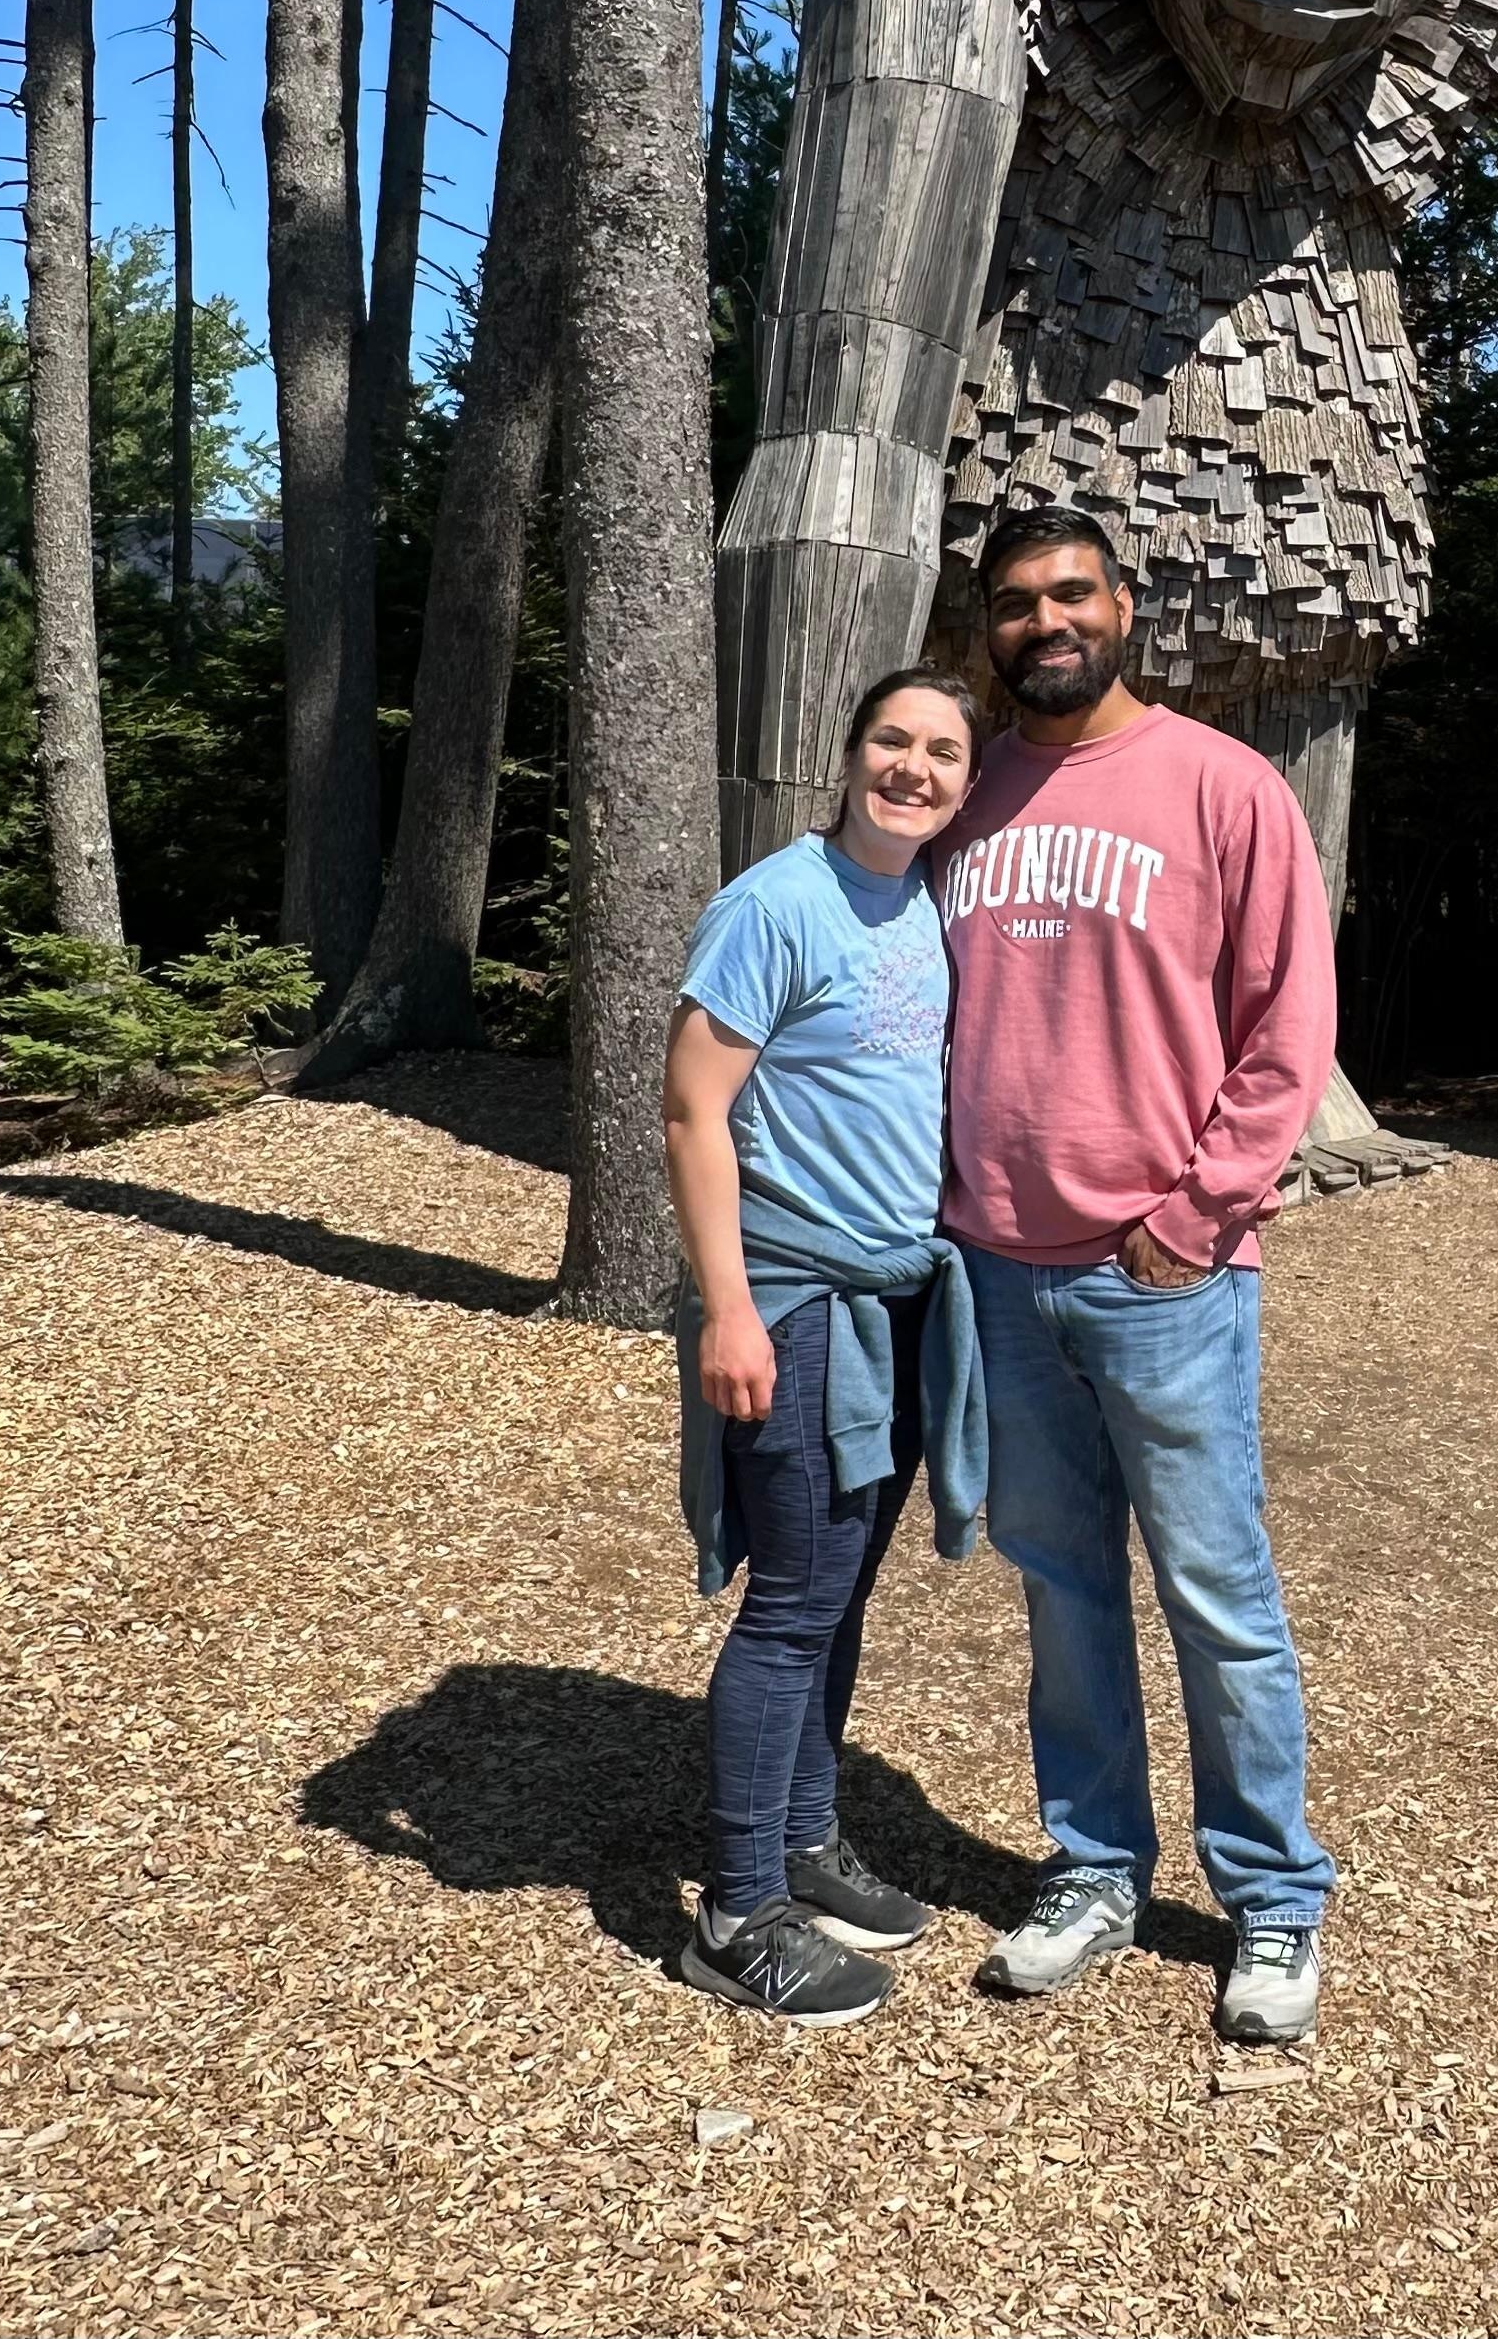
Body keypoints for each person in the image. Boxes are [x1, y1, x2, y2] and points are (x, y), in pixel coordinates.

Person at [934, 506, 1339, 2047]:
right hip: (995, 1266)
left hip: (1163, 1274)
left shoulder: (1223, 786)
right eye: (1016, 600)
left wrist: (1200, 1209)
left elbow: (1288, 1026)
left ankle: (1275, 1896)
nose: (1046, 620)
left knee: (1217, 1593)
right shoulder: (966, 794)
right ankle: (1095, 1866)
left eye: (1072, 593)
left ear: (1123, 606)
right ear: (988, 625)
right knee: (1062, 1590)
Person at [666, 667, 988, 2024]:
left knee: (839, 1591)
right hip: (800, 1300)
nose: (914, 768)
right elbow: (692, 1110)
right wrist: (730, 1308)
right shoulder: (775, 904)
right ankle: (738, 1914)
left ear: (965, 784)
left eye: (943, 753)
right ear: (848, 755)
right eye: (892, 741)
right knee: (795, 1599)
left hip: (898, 1298)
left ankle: (805, 1838)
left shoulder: (924, 903)